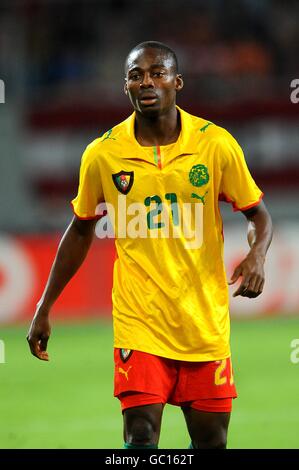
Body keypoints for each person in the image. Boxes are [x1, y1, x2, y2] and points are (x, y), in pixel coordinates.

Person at [27, 41, 273, 449]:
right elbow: (81, 228)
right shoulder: (103, 155)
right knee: (140, 436)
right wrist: (44, 305)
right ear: (125, 86)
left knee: (212, 442)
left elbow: (258, 215)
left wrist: (257, 254)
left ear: (177, 82)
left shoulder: (215, 144)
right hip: (138, 322)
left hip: (203, 322)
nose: (147, 81)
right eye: (136, 74)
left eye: (157, 73)